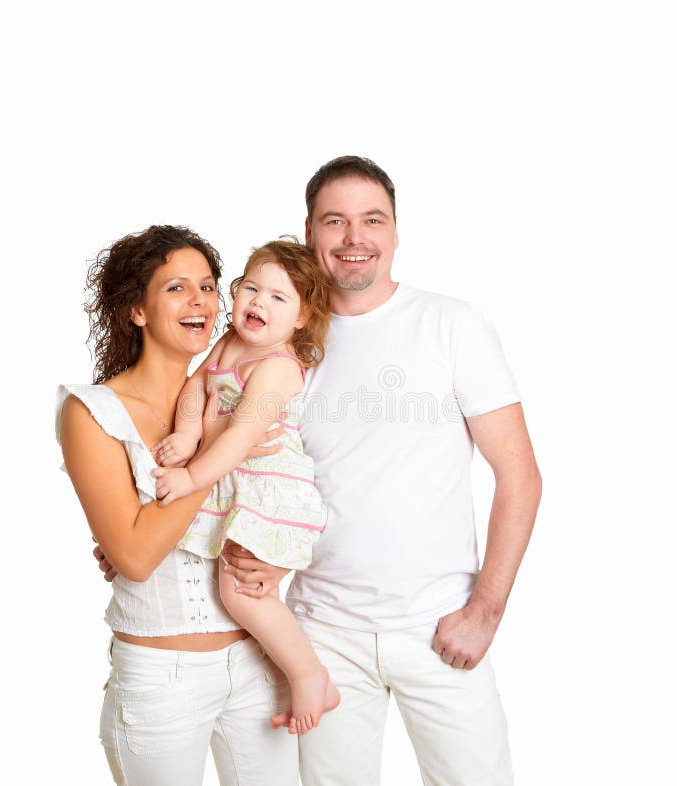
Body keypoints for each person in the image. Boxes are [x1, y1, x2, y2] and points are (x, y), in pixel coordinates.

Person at [221, 157, 543, 786]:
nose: (354, 238)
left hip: (440, 625)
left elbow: (521, 476)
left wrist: (486, 611)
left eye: (372, 220)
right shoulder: (284, 344)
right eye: (334, 221)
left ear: (396, 231)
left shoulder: (451, 324)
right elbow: (237, 458)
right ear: (310, 231)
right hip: (320, 632)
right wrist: (138, 524)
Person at [57, 225, 298, 786]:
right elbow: (138, 557)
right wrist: (215, 445)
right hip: (162, 678)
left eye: (210, 286)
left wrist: (280, 559)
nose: (201, 301)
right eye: (176, 288)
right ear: (136, 310)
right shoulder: (93, 413)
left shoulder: (249, 387)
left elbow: (294, 496)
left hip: (258, 661)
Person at [151, 239, 340, 735]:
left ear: (301, 318)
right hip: (231, 476)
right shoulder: (230, 344)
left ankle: (310, 675)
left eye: (279, 298)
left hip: (270, 486)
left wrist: (191, 473)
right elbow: (195, 387)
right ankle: (302, 672)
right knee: (233, 585)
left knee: (240, 591)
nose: (259, 302)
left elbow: (241, 435)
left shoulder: (277, 366)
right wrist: (187, 434)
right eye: (252, 288)